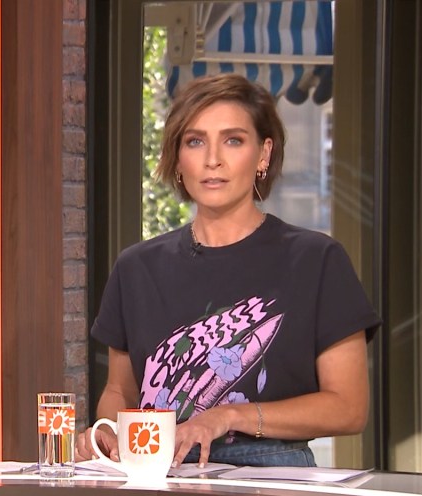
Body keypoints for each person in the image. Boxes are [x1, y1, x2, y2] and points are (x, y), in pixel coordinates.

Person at [75, 74, 381, 468]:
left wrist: (228, 417)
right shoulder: (136, 268)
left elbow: (348, 408)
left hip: (272, 477)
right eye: (195, 141)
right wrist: (109, 432)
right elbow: (120, 392)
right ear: (177, 158)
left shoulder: (317, 260)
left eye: (233, 140)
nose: (212, 159)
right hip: (161, 472)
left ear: (264, 154)